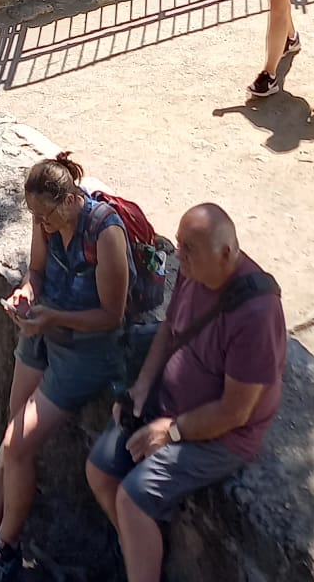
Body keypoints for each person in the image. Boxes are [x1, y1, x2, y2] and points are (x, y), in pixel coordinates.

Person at [0, 151, 137, 582]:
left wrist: (54, 318)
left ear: (69, 200)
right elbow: (36, 271)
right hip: (44, 327)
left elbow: (112, 316)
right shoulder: (45, 217)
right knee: (14, 434)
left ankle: (7, 547)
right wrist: (26, 294)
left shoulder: (105, 232)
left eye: (47, 217)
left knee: (17, 443)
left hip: (86, 349)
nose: (42, 225)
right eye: (35, 217)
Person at [86, 204, 286, 582]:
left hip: (222, 435)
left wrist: (172, 431)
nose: (179, 256)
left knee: (133, 499)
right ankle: (135, 553)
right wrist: (142, 386)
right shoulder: (194, 271)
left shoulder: (256, 315)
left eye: (189, 249)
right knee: (100, 471)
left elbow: (235, 412)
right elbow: (169, 330)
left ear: (225, 254)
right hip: (169, 403)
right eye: (179, 244)